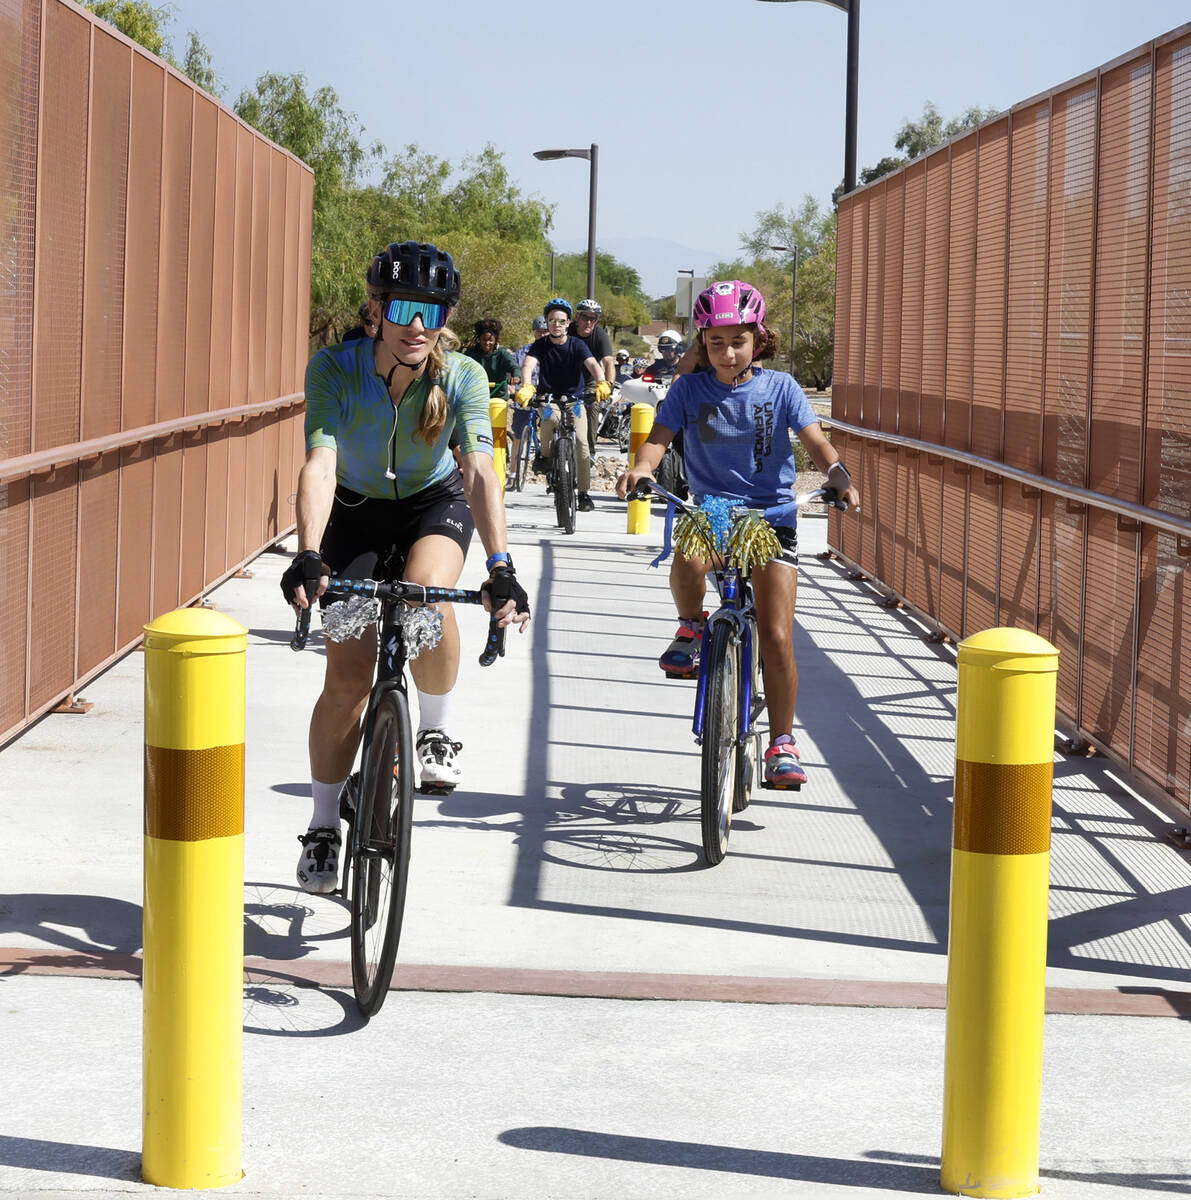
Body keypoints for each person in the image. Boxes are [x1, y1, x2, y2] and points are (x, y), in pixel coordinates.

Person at [282, 241, 531, 894]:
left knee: (427, 598)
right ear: (376, 310)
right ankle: (320, 825)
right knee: (346, 681)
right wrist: (308, 552)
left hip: (433, 504)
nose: (417, 324)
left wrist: (500, 564)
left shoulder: (464, 377)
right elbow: (320, 464)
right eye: (402, 307)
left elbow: (479, 468)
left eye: (432, 309)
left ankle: (436, 730)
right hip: (355, 512)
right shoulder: (334, 369)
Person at [616, 280, 859, 788]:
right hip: (713, 511)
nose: (727, 353)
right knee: (687, 558)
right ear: (702, 342)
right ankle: (691, 627)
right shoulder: (687, 390)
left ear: (758, 339)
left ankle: (783, 742)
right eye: (716, 342)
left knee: (775, 634)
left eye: (738, 341)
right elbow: (657, 443)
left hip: (773, 516)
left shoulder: (782, 388)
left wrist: (838, 474)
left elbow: (816, 443)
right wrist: (640, 470)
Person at [514, 298, 610, 513]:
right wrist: (528, 386)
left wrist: (602, 381)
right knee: (550, 419)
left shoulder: (577, 344)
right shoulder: (541, 345)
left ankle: (584, 493)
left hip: (575, 401)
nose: (556, 325)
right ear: (547, 323)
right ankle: (546, 457)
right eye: (552, 321)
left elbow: (593, 364)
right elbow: (529, 364)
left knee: (583, 444)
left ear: (568, 323)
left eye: (561, 321)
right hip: (549, 399)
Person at [569, 298, 615, 457]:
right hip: (566, 377)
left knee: (594, 405)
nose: (588, 322)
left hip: (589, 379)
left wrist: (608, 385)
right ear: (577, 317)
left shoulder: (600, 335)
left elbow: (609, 362)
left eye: (593, 318)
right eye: (584, 317)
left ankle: (590, 452)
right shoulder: (567, 331)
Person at [510, 316, 548, 476]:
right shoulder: (523, 352)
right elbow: (511, 374)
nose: (542, 335)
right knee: (518, 436)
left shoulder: (556, 351)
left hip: (547, 399)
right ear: (534, 333)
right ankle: (513, 472)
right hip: (526, 399)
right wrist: (512, 389)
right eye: (539, 332)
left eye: (545, 332)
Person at [465, 318, 520, 400]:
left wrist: (516, 376)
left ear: (495, 340)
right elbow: (462, 366)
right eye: (484, 340)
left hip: (498, 397)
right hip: (476, 396)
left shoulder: (502, 353)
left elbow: (514, 367)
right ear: (479, 339)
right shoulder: (471, 353)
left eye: (490, 340)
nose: (487, 343)